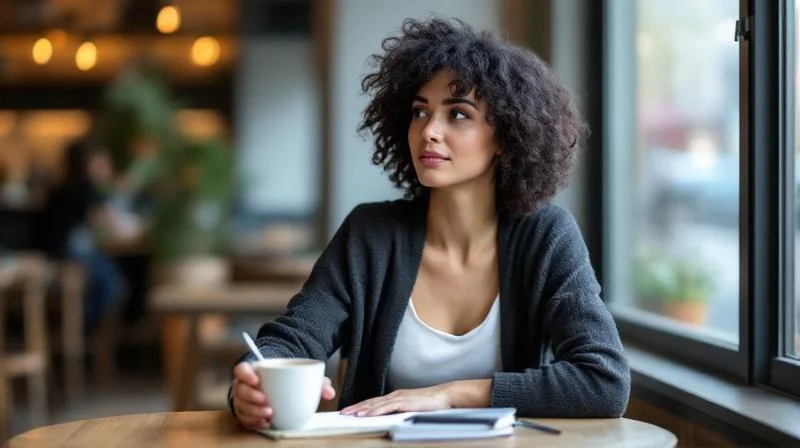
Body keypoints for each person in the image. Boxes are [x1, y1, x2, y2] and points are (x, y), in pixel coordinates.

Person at [229, 17, 630, 429]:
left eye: (458, 114)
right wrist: (253, 384)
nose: (429, 131)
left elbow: (604, 380)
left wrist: (450, 394)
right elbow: (293, 339)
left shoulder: (545, 237)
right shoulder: (370, 234)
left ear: (505, 137)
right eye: (420, 112)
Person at [36, 139, 126, 333]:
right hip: (67, 255)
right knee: (114, 285)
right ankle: (87, 331)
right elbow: (110, 225)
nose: (107, 169)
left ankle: (84, 332)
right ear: (89, 164)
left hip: (53, 252)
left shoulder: (61, 187)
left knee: (106, 280)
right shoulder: (85, 189)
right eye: (102, 163)